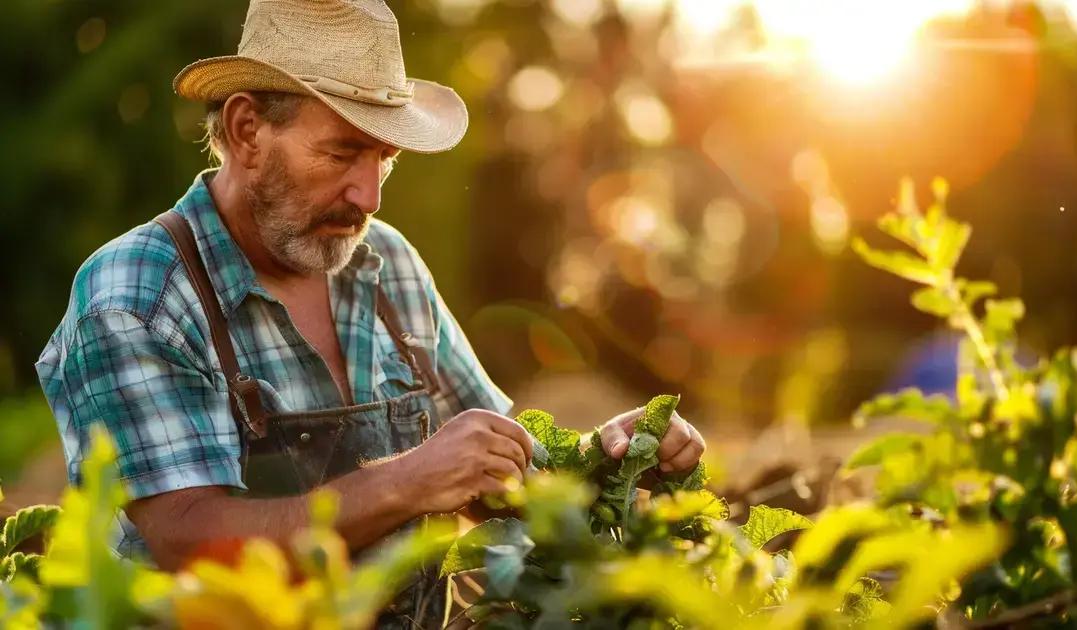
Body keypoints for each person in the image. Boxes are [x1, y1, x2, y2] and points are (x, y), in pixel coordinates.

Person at [34, 0, 706, 626]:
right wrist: (407, 479)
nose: (369, 195)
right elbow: (184, 538)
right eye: (342, 151)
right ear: (246, 130)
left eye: (385, 157)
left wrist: (612, 454)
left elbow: (497, 464)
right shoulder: (138, 293)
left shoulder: (386, 263)